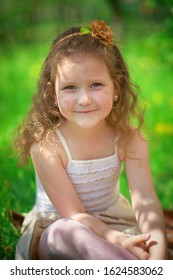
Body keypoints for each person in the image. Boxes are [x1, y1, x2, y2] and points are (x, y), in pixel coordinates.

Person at [15, 19, 168, 260]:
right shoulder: (46, 146)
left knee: (147, 249)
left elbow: (146, 200)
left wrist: (159, 253)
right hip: (60, 226)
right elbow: (74, 215)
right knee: (69, 232)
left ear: (116, 87)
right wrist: (119, 240)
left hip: (114, 221)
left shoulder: (129, 136)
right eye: (70, 88)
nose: (84, 99)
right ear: (52, 93)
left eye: (96, 84)